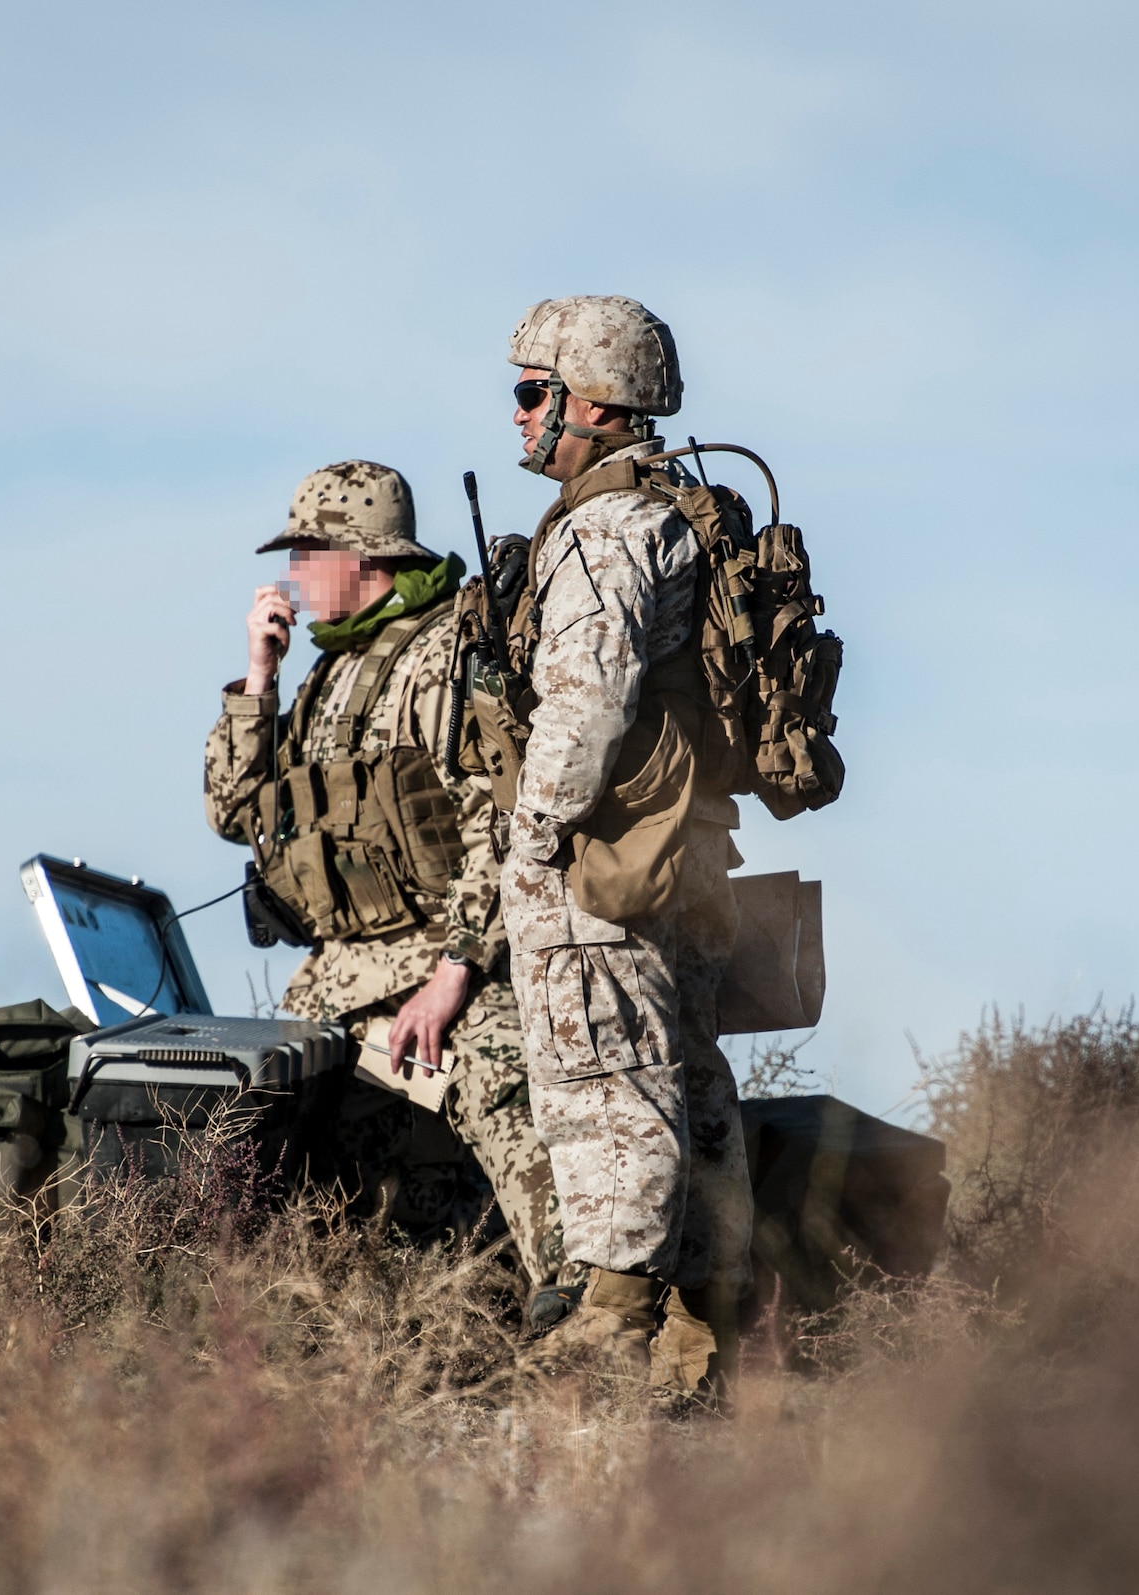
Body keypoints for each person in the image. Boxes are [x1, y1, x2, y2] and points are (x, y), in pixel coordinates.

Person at [204, 460, 578, 1314]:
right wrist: (258, 680)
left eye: (307, 552)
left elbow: (501, 822)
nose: (293, 574)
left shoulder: (447, 653)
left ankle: (580, 1301)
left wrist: (457, 975)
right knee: (251, 1129)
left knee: (502, 1074)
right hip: (333, 983)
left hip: (441, 965)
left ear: (360, 556)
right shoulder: (323, 675)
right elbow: (234, 811)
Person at [487, 297, 754, 1388]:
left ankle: (607, 1331)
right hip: (680, 847)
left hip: (604, 856)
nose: (514, 416)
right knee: (683, 1078)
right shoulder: (678, 513)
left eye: (529, 391)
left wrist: (532, 833)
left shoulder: (605, 529)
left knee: (603, 1076)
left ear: (590, 403)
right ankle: (699, 1349)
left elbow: (584, 705)